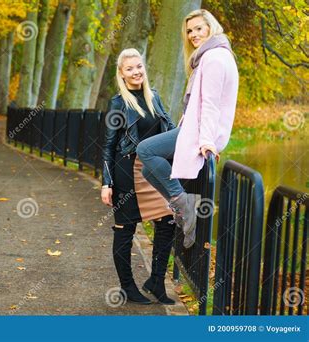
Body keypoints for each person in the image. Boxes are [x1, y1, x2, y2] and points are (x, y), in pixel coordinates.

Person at [136, 9, 239, 249]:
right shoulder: (214, 56)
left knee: (146, 150)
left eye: (199, 28)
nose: (193, 34)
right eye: (189, 30)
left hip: (200, 132)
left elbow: (211, 104)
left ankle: (183, 203)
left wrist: (207, 141)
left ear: (211, 28)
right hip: (197, 129)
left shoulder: (214, 58)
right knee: (149, 172)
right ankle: (182, 205)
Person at [101, 48, 177, 305]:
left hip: (154, 169)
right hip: (127, 171)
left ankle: (156, 281)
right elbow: (109, 145)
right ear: (121, 74)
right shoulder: (118, 103)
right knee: (125, 229)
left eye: (139, 66)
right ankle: (128, 287)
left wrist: (200, 144)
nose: (136, 72)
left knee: (167, 222)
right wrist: (106, 182)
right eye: (130, 69)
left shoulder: (154, 97)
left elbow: (170, 130)